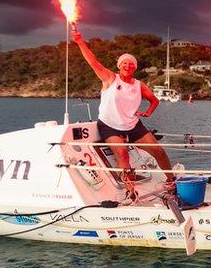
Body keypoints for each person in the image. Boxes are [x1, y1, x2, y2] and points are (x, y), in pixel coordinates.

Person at [71, 24, 175, 203]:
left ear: (134, 68)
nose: (128, 65)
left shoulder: (139, 85)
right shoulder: (110, 78)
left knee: (158, 150)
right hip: (110, 126)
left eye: (131, 63)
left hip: (133, 125)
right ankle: (130, 191)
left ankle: (172, 182)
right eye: (124, 63)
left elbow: (154, 100)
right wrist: (80, 42)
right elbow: (93, 61)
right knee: (122, 154)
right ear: (120, 66)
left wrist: (149, 112)